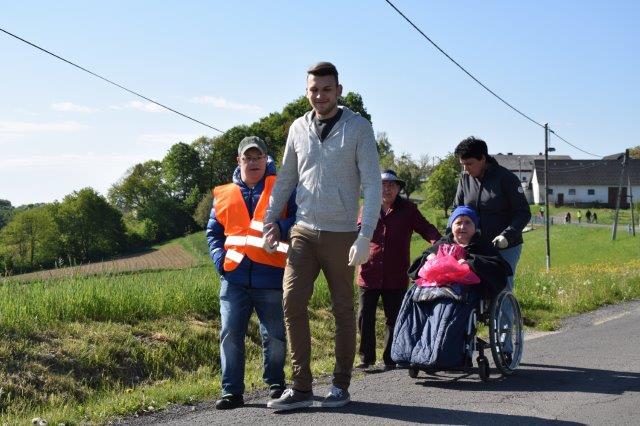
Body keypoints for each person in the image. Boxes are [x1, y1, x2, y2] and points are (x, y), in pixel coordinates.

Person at [263, 61, 381, 410]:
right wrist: (271, 219)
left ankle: (340, 385)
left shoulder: (359, 128)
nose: (320, 95)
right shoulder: (298, 128)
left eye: (326, 89)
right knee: (292, 301)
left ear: (338, 91)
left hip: (343, 234)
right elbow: (286, 177)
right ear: (307, 92)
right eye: (314, 89)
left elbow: (373, 183)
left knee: (344, 309)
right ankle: (300, 388)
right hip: (303, 231)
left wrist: (365, 235)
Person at [206, 136, 297, 410]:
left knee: (275, 335)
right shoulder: (224, 193)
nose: (253, 162)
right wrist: (220, 260)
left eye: (258, 157)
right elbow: (213, 232)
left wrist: (282, 227)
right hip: (233, 279)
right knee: (230, 334)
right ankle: (231, 391)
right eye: (248, 157)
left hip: (270, 277)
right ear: (239, 161)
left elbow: (297, 216)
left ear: (266, 159)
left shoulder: (281, 187)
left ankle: (276, 385)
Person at [392, 206, 512, 369]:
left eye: (468, 223)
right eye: (458, 222)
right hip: (433, 289)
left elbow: (498, 270)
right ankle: (406, 353)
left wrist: (470, 263)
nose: (462, 227)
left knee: (446, 307)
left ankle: (440, 356)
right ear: (452, 226)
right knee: (412, 298)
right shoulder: (443, 243)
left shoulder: (482, 246)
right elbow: (416, 267)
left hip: (462, 292)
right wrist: (429, 257)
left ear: (475, 227)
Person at [356, 169, 441, 371]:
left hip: (396, 273)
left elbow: (426, 228)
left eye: (392, 185)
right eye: (383, 185)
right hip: (369, 271)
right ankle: (366, 359)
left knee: (393, 318)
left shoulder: (409, 209)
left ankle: (390, 358)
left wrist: (439, 243)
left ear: (399, 189)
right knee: (364, 316)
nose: (387, 189)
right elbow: (357, 231)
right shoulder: (367, 207)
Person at [453, 136, 531, 290]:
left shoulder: (506, 179)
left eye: (469, 164)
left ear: (482, 159)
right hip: (475, 244)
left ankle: (507, 314)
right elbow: (457, 208)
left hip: (505, 245)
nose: (465, 169)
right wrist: (453, 231)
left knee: (501, 288)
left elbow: (523, 213)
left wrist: (507, 235)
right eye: (462, 165)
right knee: (472, 286)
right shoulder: (465, 179)